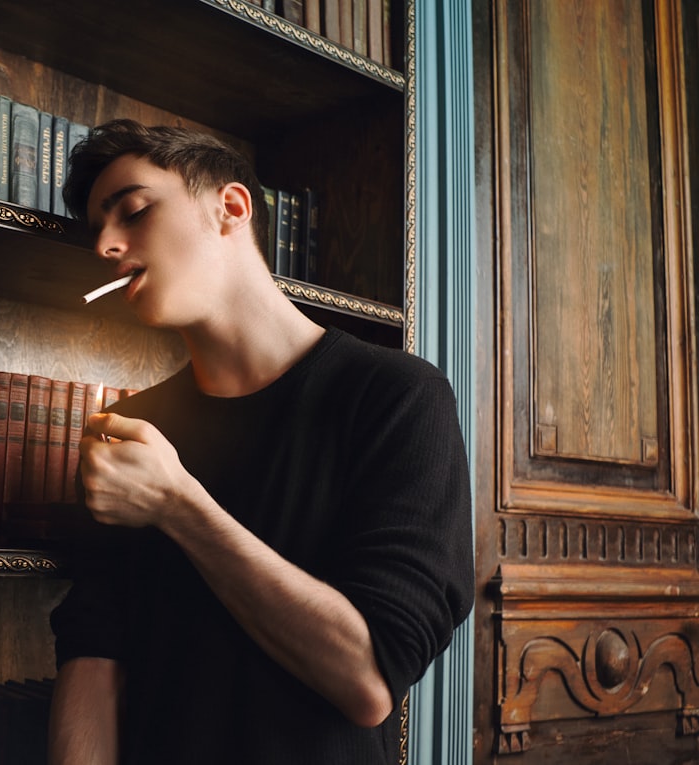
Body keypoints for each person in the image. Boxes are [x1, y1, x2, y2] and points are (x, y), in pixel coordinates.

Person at [47, 118, 474, 765]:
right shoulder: (133, 427)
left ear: (231, 207)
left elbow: (366, 680)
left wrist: (178, 505)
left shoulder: (398, 398)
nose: (106, 243)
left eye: (132, 211)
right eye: (96, 229)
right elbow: (93, 653)